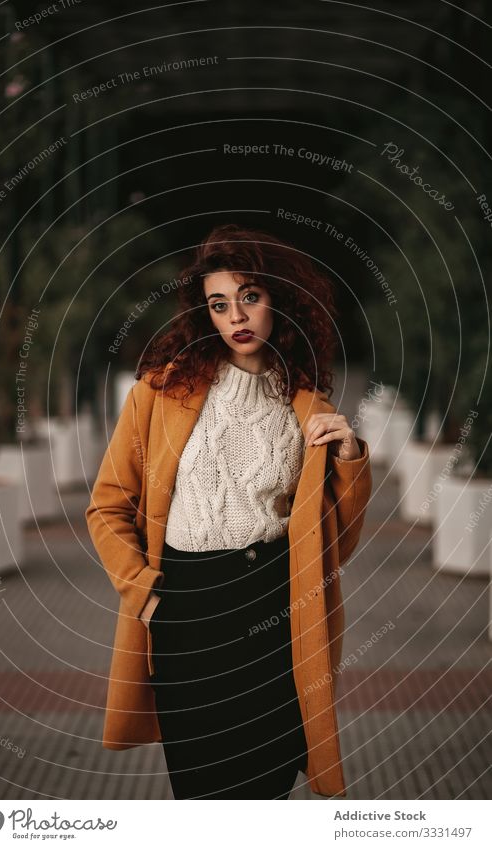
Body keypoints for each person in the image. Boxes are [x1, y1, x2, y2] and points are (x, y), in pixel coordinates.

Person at [85, 223, 373, 800]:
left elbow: (332, 542)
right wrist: (147, 596)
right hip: (184, 610)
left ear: (279, 301)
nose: (236, 316)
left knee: (263, 791)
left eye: (250, 297)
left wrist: (348, 457)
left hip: (272, 610)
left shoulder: (308, 408)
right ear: (205, 314)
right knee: (201, 793)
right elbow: (107, 506)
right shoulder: (159, 393)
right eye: (220, 304)